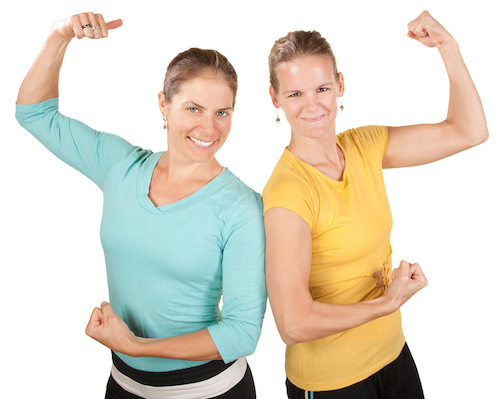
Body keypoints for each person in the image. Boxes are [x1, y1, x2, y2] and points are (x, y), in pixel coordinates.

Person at [16, 12, 266, 399]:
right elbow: (34, 114)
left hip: (208, 390)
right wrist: (59, 35)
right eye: (193, 109)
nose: (209, 128)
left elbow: (241, 332)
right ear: (164, 105)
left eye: (223, 112)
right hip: (125, 385)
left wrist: (137, 347)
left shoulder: (240, 207)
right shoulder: (120, 165)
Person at [263, 10, 487, 399]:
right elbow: (293, 324)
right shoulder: (288, 193)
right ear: (275, 99)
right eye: (295, 93)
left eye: (321, 88)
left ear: (340, 85)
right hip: (333, 381)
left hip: (393, 355)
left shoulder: (364, 145)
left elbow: (469, 131)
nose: (312, 105)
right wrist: (387, 303)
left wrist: (448, 46)